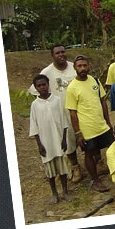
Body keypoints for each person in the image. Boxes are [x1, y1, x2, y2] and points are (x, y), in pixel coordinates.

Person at [27, 44, 82, 183]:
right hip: (63, 114)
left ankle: (96, 162)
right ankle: (75, 167)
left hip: (81, 111)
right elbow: (36, 93)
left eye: (63, 52)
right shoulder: (46, 72)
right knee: (69, 142)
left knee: (87, 138)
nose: (61, 55)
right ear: (52, 56)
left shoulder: (74, 67)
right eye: (57, 53)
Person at [66, 55, 114, 193]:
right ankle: (96, 181)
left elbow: (103, 102)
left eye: (84, 65)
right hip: (87, 129)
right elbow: (72, 113)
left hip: (101, 125)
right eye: (79, 66)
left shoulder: (94, 80)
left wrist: (108, 122)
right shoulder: (72, 88)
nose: (82, 68)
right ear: (75, 68)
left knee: (113, 148)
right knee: (89, 154)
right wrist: (78, 133)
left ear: (88, 67)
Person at [29, 74, 71, 204]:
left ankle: (65, 191)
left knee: (62, 168)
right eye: (39, 86)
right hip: (46, 142)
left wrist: (64, 139)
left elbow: (64, 121)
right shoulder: (35, 105)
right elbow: (34, 126)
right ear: (36, 88)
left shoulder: (57, 100)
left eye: (44, 84)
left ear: (48, 84)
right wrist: (39, 145)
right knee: (50, 171)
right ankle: (54, 194)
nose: (42, 87)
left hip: (58, 139)